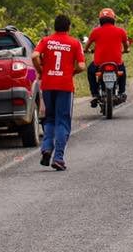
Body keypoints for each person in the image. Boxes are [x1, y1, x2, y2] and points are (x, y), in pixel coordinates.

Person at [32, 14, 85, 171]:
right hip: (65, 85)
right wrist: (72, 72)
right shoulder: (74, 43)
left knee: (50, 118)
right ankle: (59, 158)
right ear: (68, 27)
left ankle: (47, 148)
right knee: (62, 121)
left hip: (48, 84)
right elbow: (82, 66)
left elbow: (35, 55)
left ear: (54, 26)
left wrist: (40, 71)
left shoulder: (46, 41)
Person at [86, 8, 131, 107]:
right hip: (117, 64)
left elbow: (87, 46)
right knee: (122, 71)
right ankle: (121, 92)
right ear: (113, 19)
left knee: (90, 71)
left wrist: (86, 51)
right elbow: (127, 46)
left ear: (100, 20)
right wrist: (126, 50)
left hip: (99, 65)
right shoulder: (121, 31)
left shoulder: (95, 31)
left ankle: (95, 94)